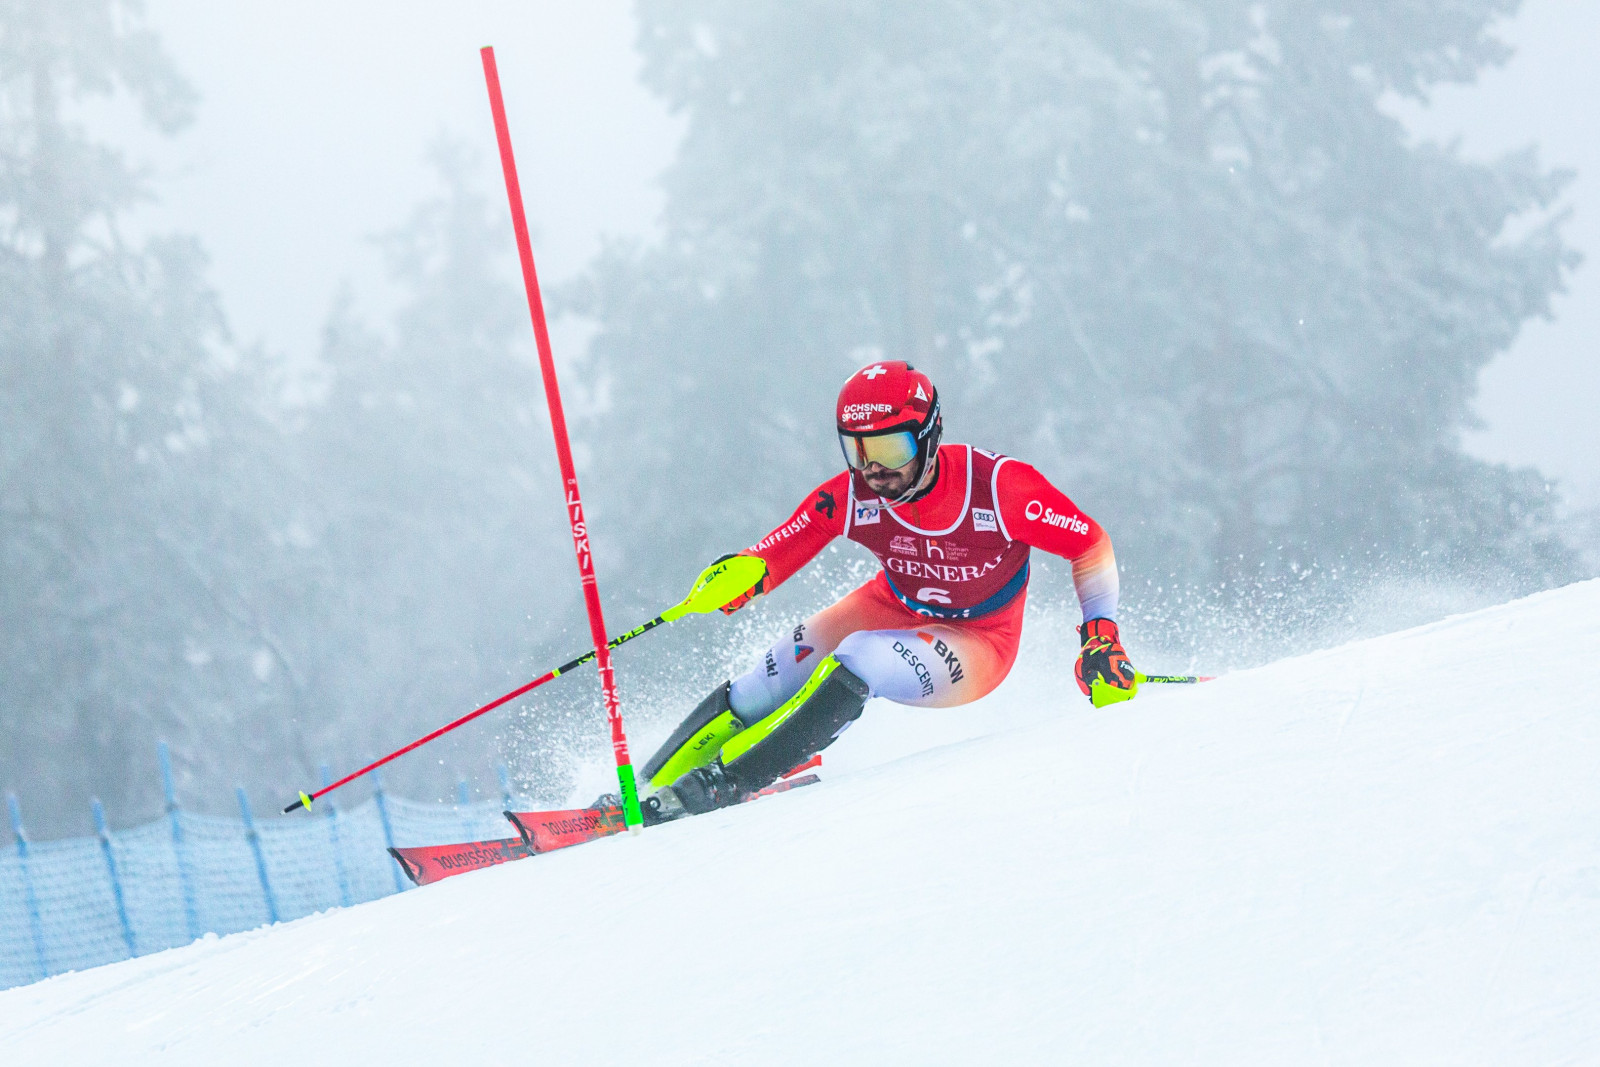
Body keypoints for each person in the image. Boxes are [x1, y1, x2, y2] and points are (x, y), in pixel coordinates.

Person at [640, 360, 1136, 822]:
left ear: (929, 435)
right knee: (771, 674)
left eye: (888, 449)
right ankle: (647, 787)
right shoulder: (853, 494)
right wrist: (744, 576)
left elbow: (1089, 545)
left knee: (859, 657)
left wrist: (1100, 635)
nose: (873, 469)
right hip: (891, 603)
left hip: (981, 640)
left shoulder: (1000, 489)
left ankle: (731, 781)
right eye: (856, 450)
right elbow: (776, 550)